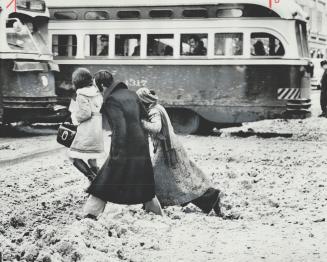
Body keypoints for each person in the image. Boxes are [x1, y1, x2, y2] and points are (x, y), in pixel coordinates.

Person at [83, 70, 163, 219]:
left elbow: (121, 128)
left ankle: (90, 214)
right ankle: (157, 213)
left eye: (96, 86)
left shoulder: (111, 101)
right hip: (141, 145)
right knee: (144, 181)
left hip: (124, 147)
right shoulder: (132, 94)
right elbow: (143, 117)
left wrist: (117, 152)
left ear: (101, 85)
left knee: (105, 180)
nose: (96, 90)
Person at [136, 88, 223, 216]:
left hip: (166, 149)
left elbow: (156, 128)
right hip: (170, 147)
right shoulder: (158, 107)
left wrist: (141, 122)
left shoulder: (154, 111)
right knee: (179, 181)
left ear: (144, 101)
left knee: (155, 177)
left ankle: (153, 206)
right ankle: (210, 198)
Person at [68, 68, 104, 182]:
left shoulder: (81, 94)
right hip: (98, 128)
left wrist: (74, 117)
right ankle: (99, 183)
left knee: (72, 156)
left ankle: (92, 178)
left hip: (88, 129)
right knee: (92, 159)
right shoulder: (97, 92)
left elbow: (85, 113)